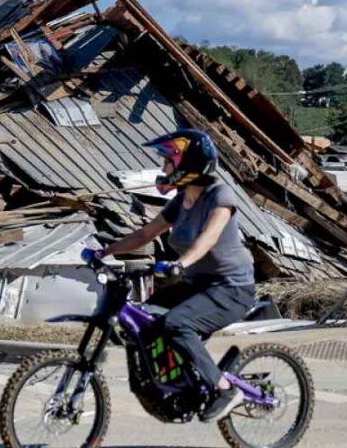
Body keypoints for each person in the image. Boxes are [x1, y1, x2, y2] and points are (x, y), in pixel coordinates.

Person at [83, 128, 255, 421]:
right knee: (146, 320)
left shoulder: (219, 195)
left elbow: (209, 238)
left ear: (189, 163)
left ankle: (225, 389)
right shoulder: (179, 202)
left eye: (168, 162)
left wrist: (181, 263)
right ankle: (179, 387)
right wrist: (103, 252)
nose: (163, 168)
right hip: (197, 285)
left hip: (231, 288)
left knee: (176, 325)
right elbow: (145, 234)